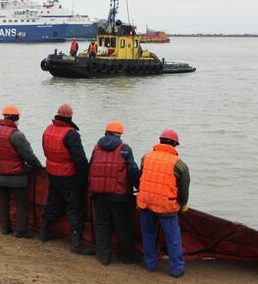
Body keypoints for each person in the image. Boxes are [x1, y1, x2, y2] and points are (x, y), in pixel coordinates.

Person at [40, 104, 94, 255]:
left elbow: (45, 150)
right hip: (69, 178)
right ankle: (77, 244)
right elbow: (80, 160)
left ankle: (43, 231)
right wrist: (84, 179)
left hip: (52, 175)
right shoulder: (71, 134)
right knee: (75, 210)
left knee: (52, 204)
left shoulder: (48, 130)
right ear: (70, 116)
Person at [137, 129, 190, 278]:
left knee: (148, 235)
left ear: (160, 141)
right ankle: (177, 269)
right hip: (166, 206)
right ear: (174, 144)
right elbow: (183, 189)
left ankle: (150, 264)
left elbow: (143, 176)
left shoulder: (145, 157)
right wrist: (184, 204)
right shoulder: (179, 164)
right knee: (173, 238)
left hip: (145, 202)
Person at [88, 121, 140, 265]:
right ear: (120, 134)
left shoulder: (96, 147)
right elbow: (133, 171)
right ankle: (127, 257)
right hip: (118, 196)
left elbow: (90, 167)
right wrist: (140, 186)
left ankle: (104, 257)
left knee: (102, 225)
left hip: (98, 194)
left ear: (106, 132)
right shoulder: (125, 149)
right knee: (123, 227)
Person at [0, 105, 42, 238]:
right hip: (16, 176)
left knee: (3, 202)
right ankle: (21, 230)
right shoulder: (16, 135)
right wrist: (39, 167)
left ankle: (5, 228)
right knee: (21, 203)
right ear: (16, 119)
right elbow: (28, 155)